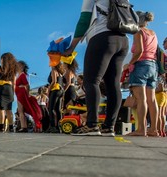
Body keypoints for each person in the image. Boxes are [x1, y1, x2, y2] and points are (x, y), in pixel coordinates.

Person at [65, 0, 129, 136]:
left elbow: (84, 20)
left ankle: (92, 125)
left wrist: (71, 47)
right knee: (113, 84)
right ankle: (109, 127)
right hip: (122, 39)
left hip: (101, 37)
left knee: (91, 81)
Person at [124, 11, 159, 137]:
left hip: (141, 66)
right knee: (152, 99)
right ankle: (154, 129)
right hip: (153, 66)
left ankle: (141, 129)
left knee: (141, 99)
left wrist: (129, 64)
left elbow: (139, 51)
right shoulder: (153, 33)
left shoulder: (138, 32)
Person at [0, 52, 18, 132]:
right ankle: (11, 127)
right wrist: (13, 93)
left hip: (0, 88)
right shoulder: (13, 70)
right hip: (9, 89)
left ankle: (1, 127)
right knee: (9, 109)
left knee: (0, 109)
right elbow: (14, 83)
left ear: (3, 60)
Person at [15, 60, 42, 132]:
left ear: (21, 66)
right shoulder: (20, 75)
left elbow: (27, 85)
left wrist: (27, 94)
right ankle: (24, 126)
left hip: (21, 94)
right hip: (19, 93)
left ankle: (24, 127)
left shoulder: (22, 75)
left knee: (20, 110)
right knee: (21, 111)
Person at [46, 62, 66, 133]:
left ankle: (52, 126)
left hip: (55, 90)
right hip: (61, 90)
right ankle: (59, 126)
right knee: (58, 109)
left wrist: (48, 90)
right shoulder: (60, 73)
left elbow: (54, 81)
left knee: (51, 108)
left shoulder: (54, 71)